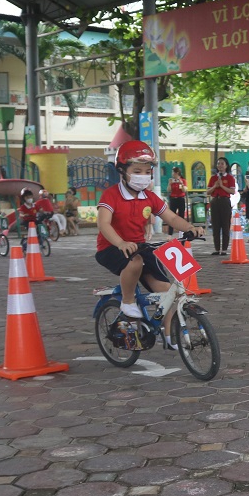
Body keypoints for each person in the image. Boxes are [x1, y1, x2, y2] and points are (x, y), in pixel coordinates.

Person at [95, 140, 203, 349]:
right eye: (137, 170)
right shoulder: (111, 195)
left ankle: (170, 337)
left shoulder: (150, 197)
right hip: (111, 248)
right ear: (122, 171)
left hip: (141, 248)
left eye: (146, 171)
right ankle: (127, 302)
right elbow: (103, 223)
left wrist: (190, 227)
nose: (142, 175)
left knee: (170, 292)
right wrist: (120, 242)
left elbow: (171, 218)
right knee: (134, 263)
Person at [208, 157, 236, 255]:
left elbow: (232, 191)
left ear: (226, 166)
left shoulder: (230, 178)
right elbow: (208, 191)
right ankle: (216, 248)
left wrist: (222, 186)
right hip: (215, 201)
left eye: (222, 164)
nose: (220, 165)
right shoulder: (213, 178)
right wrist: (215, 186)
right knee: (215, 226)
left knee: (225, 225)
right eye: (218, 163)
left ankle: (224, 249)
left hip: (225, 201)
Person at [167, 167, 187, 236]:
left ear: (177, 173)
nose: (172, 174)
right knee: (172, 216)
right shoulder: (171, 180)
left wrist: (181, 183)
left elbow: (184, 190)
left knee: (181, 216)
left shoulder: (183, 180)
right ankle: (170, 233)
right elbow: (169, 190)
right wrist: (170, 184)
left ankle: (181, 232)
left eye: (173, 172)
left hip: (180, 199)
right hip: (173, 199)